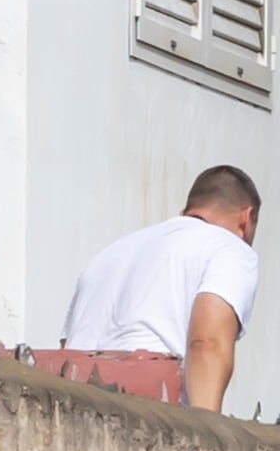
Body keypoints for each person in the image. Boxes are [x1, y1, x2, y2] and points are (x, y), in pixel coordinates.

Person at [57, 166, 262, 414]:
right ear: (245, 220)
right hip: (149, 417)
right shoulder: (230, 248)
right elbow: (208, 343)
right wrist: (209, 438)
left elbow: (66, 347)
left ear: (184, 212)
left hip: (73, 412)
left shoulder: (108, 254)